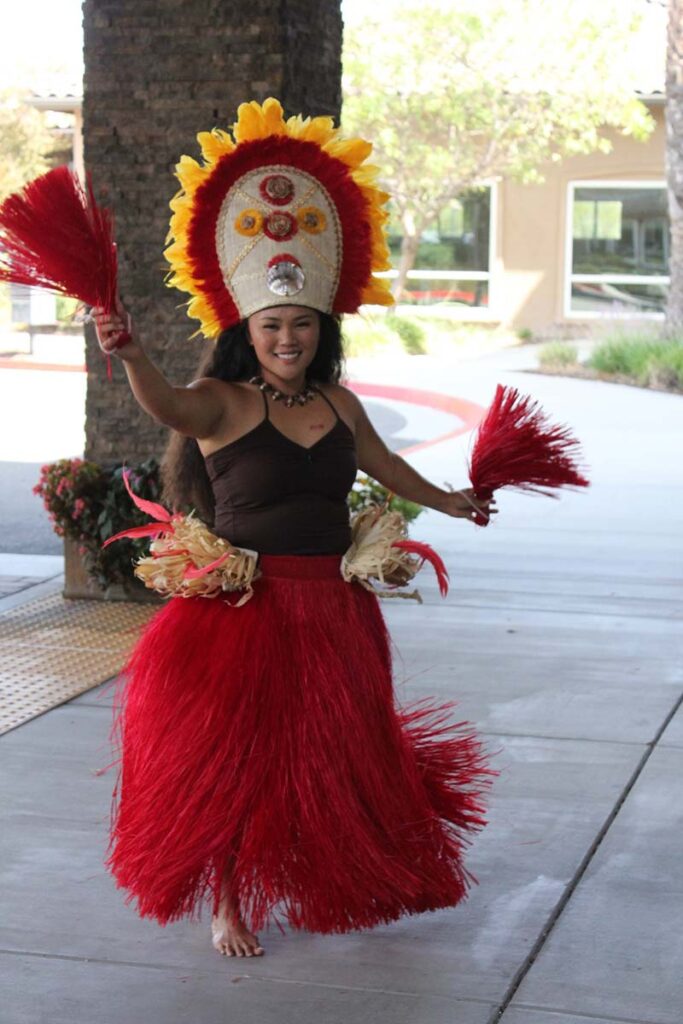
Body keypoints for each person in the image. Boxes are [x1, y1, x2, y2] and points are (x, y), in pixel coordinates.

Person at [92, 98, 496, 959]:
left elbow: (388, 469)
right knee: (237, 768)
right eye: (272, 326)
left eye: (301, 325)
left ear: (321, 331)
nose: (287, 337)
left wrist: (455, 501)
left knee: (330, 765)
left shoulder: (339, 402)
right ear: (249, 330)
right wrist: (129, 353)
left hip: (334, 612)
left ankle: (326, 876)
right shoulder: (222, 404)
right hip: (242, 614)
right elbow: (165, 401)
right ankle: (230, 901)